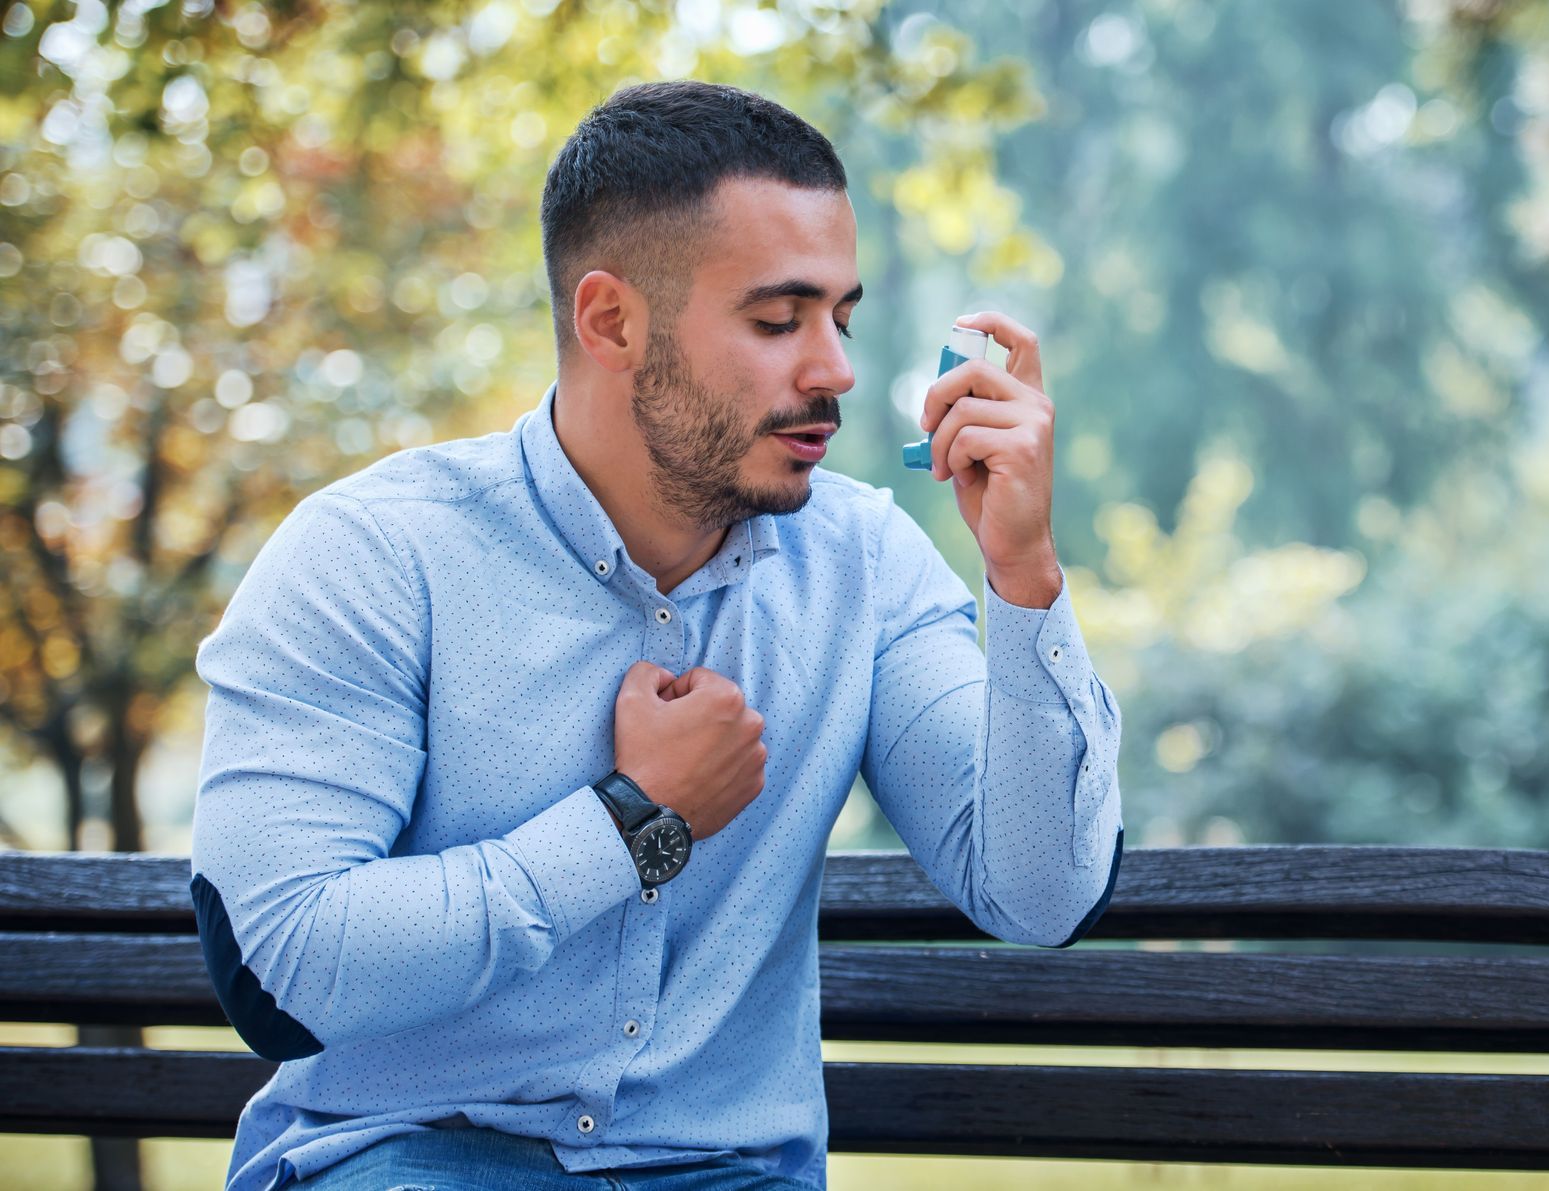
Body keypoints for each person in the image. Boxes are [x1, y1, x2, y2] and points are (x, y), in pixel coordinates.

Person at [189, 80, 1124, 1191]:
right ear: (610, 321)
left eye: (842, 317)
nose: (835, 370)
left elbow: (1038, 892)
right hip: (410, 1160)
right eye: (778, 321)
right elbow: (290, 969)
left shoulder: (863, 562)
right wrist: (633, 825)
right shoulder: (374, 558)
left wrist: (1022, 576)